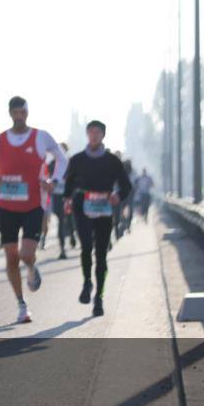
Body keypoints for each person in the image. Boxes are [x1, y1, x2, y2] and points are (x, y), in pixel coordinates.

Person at [0, 96, 67, 324]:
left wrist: (54, 181)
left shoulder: (41, 137)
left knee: (26, 254)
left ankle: (30, 267)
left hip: (32, 205)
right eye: (15, 112)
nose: (19, 116)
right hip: (6, 205)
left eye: (22, 112)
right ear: (10, 113)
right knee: (10, 257)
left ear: (27, 113)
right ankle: (21, 304)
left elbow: (62, 159)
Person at [63, 120, 132, 317]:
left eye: (97, 132)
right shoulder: (77, 160)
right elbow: (69, 183)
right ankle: (87, 283)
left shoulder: (112, 161)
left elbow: (126, 186)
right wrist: (67, 199)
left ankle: (99, 297)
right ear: (87, 134)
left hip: (104, 208)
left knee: (101, 255)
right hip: (82, 206)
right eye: (91, 132)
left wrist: (118, 196)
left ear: (103, 135)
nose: (94, 135)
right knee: (86, 246)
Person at [50, 142, 75, 259]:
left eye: (63, 149)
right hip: (56, 195)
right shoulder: (51, 164)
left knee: (69, 218)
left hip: (68, 195)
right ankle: (62, 248)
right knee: (61, 220)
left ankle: (73, 235)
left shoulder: (71, 163)